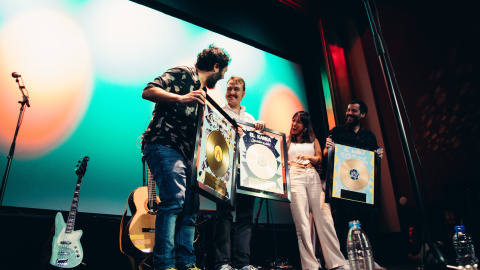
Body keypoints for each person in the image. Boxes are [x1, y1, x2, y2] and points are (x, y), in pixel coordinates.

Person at [141, 44, 231, 270]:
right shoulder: (183, 73)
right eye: (223, 73)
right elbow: (148, 91)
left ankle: (186, 263)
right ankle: (163, 264)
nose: (222, 78)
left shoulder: (204, 96)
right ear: (216, 66)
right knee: (173, 201)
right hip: (164, 144)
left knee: (190, 208)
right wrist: (181, 98)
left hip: (188, 156)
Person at [323, 100, 385, 269]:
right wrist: (328, 148)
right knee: (344, 223)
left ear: (362, 114)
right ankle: (348, 263)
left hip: (364, 188)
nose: (349, 113)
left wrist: (378, 155)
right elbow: (325, 155)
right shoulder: (336, 132)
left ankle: (369, 261)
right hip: (342, 186)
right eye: (348, 110)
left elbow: (373, 159)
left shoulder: (369, 136)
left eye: (354, 111)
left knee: (367, 224)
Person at [214, 76, 265, 270]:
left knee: (245, 218)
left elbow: (259, 148)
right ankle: (223, 263)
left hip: (247, 173)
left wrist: (259, 129)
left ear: (243, 94)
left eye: (236, 89)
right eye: (229, 88)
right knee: (224, 216)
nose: (232, 92)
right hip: (223, 170)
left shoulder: (250, 118)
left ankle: (243, 264)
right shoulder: (218, 112)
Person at [287, 111, 348, 270]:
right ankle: (310, 265)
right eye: (293, 121)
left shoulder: (314, 141)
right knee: (302, 222)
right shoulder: (287, 142)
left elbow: (319, 158)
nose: (294, 124)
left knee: (325, 218)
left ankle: (336, 262)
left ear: (306, 126)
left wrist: (307, 157)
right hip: (295, 176)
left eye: (298, 122)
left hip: (312, 175)